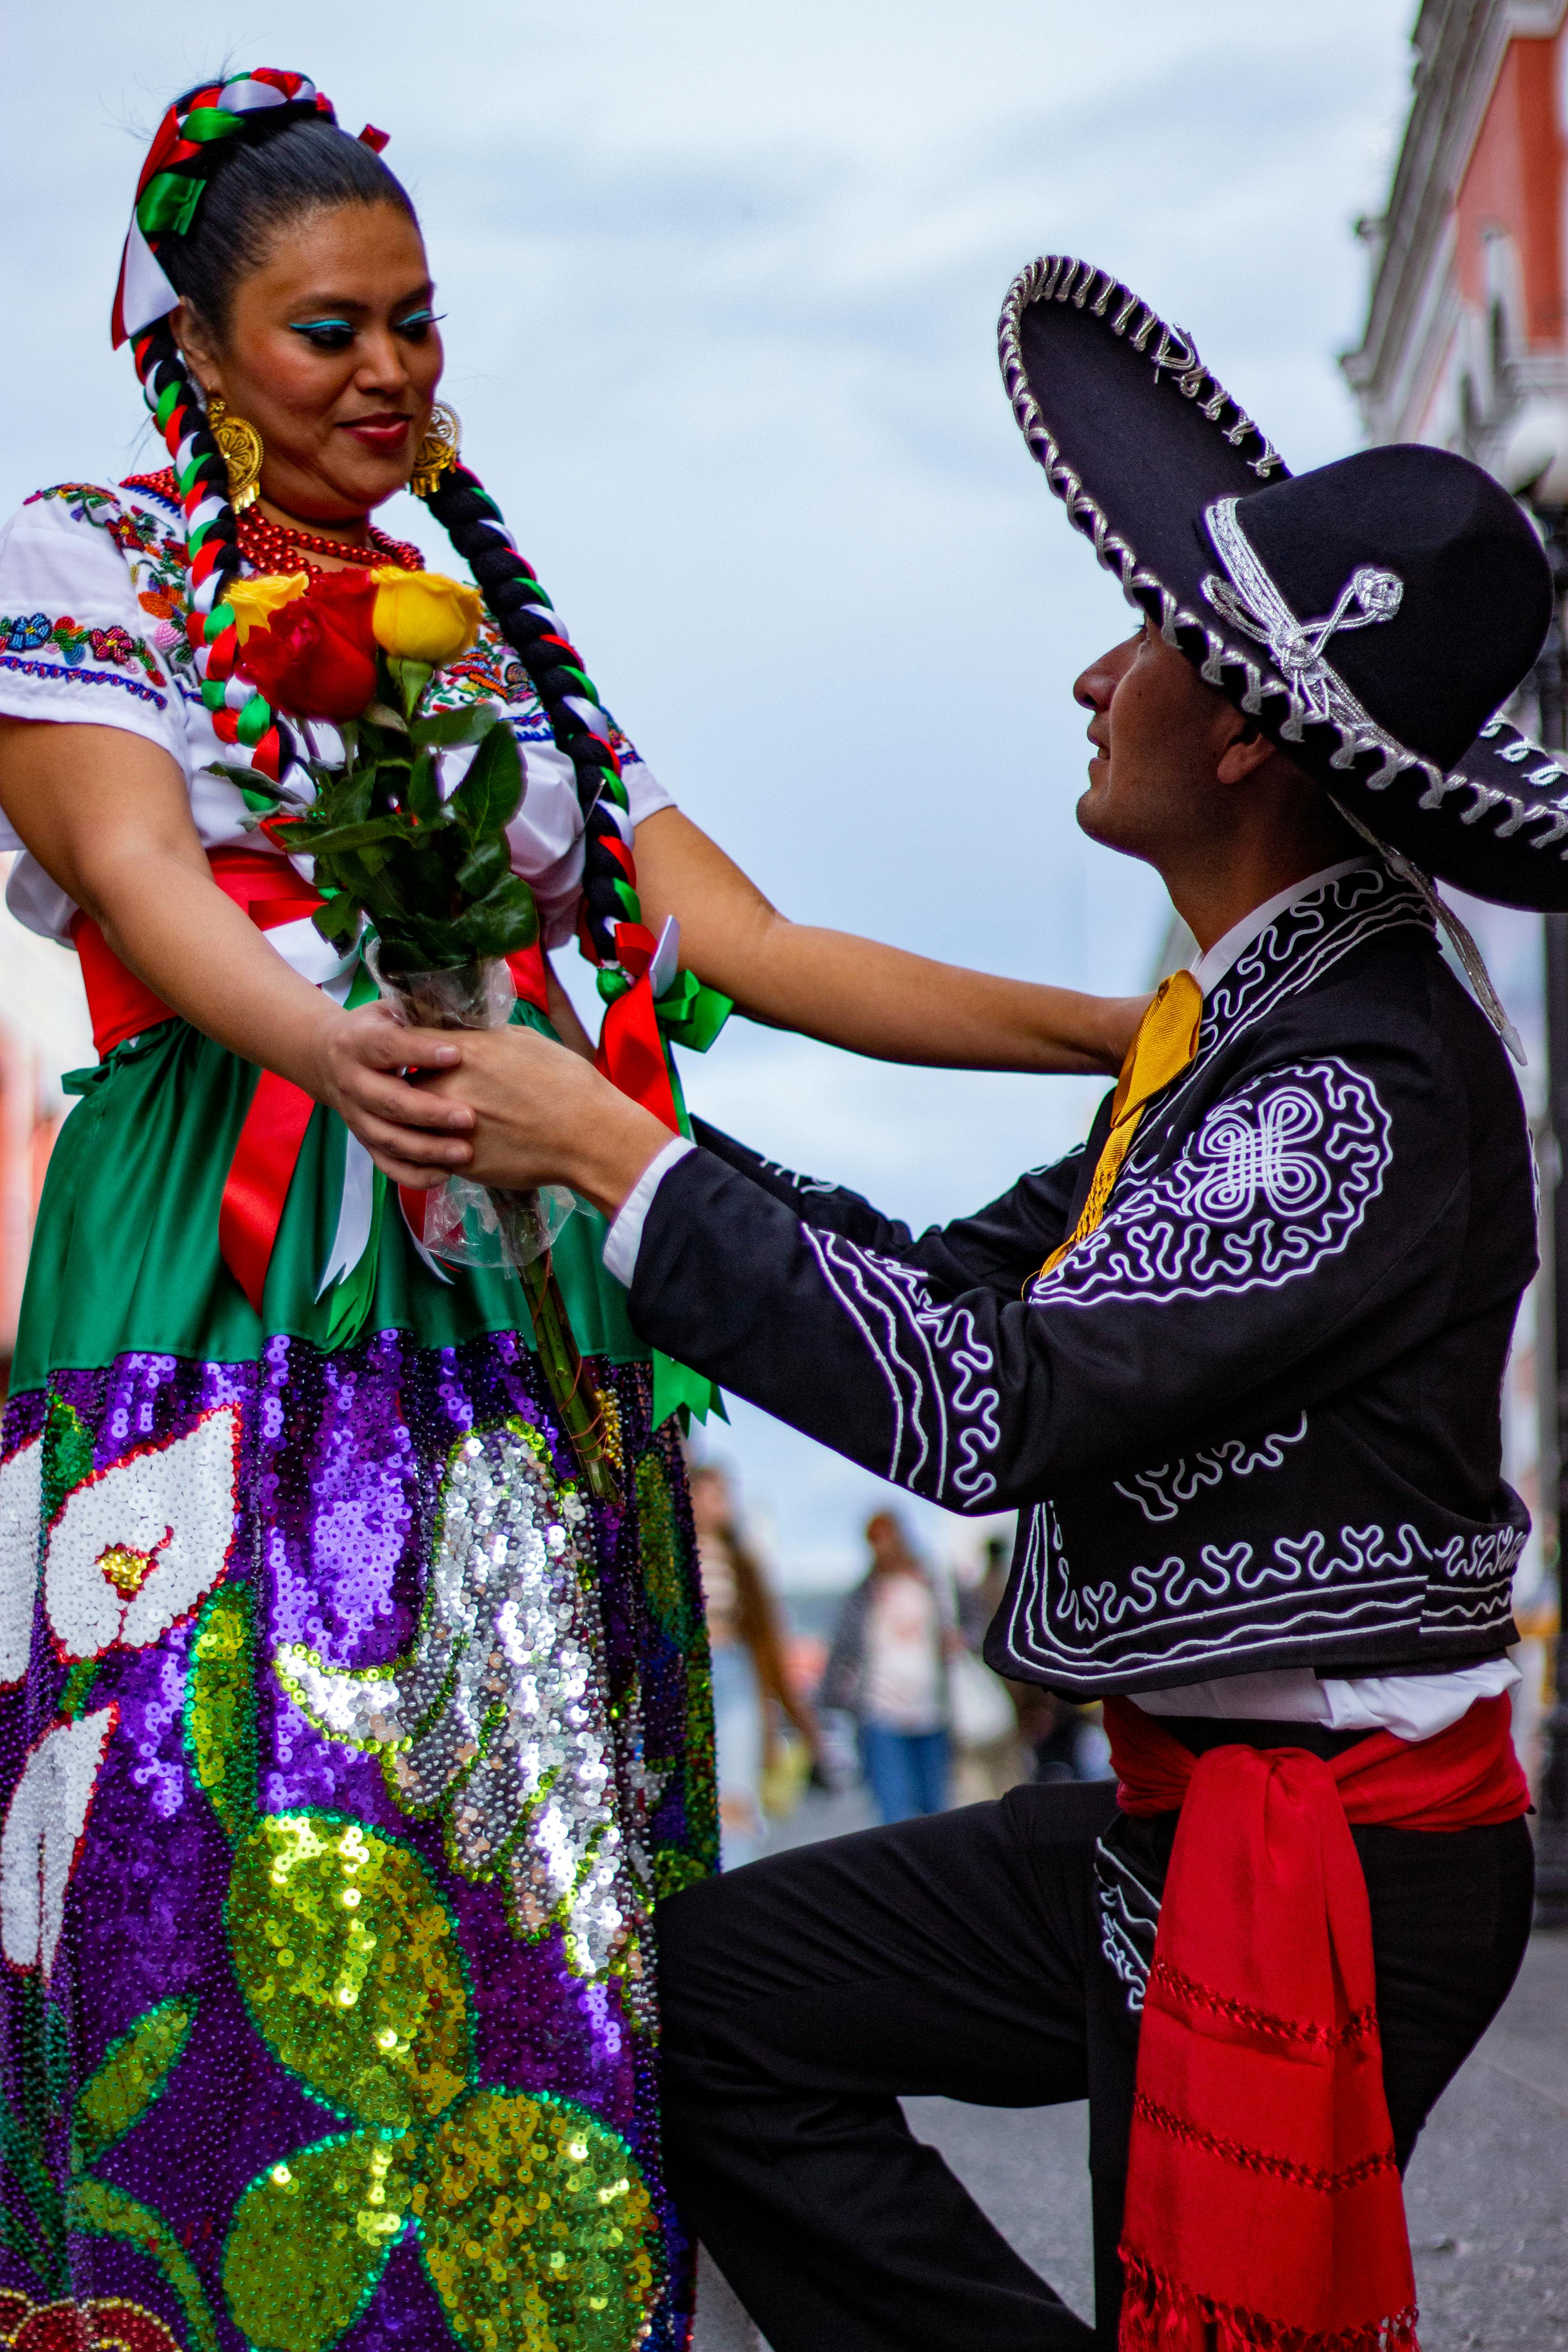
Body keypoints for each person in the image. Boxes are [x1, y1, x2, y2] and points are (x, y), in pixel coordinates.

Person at [0, 77, 1147, 2352]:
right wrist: (332, 1047)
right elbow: (138, 877)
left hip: (520, 1286)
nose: (391, 370)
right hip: (225, 1275)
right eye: (331, 330)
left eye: (418, 322)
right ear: (201, 351)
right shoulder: (85, 557)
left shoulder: (504, 641)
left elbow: (756, 947)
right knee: (214, 1824)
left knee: (531, 1851)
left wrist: (1146, 1037)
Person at [418, 255, 1558, 2351]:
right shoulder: (1247, 1033)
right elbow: (942, 1282)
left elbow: (988, 1403)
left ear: (1229, 728)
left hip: (1323, 1861)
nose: (1080, 679)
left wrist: (607, 1158)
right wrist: (605, 1132)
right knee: (726, 2012)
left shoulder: (1357, 1075)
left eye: (1130, 641)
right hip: (1189, 1817)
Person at [688, 1461, 818, 1866]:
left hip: (735, 1668)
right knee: (700, 1794)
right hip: (692, 1676)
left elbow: (768, 1640)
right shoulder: (669, 1553)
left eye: (725, 1494)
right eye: (713, 1494)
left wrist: (794, 1714)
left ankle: (736, 1883)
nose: (723, 1503)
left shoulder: (742, 1562)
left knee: (738, 1796)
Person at [820, 1511, 954, 1821]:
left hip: (933, 1708)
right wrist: (830, 1701)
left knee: (935, 1806)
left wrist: (959, 1641)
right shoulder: (864, 1595)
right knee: (893, 1809)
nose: (882, 1548)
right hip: (881, 1710)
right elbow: (842, 1652)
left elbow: (973, 1625)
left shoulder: (933, 1584)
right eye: (874, 1542)